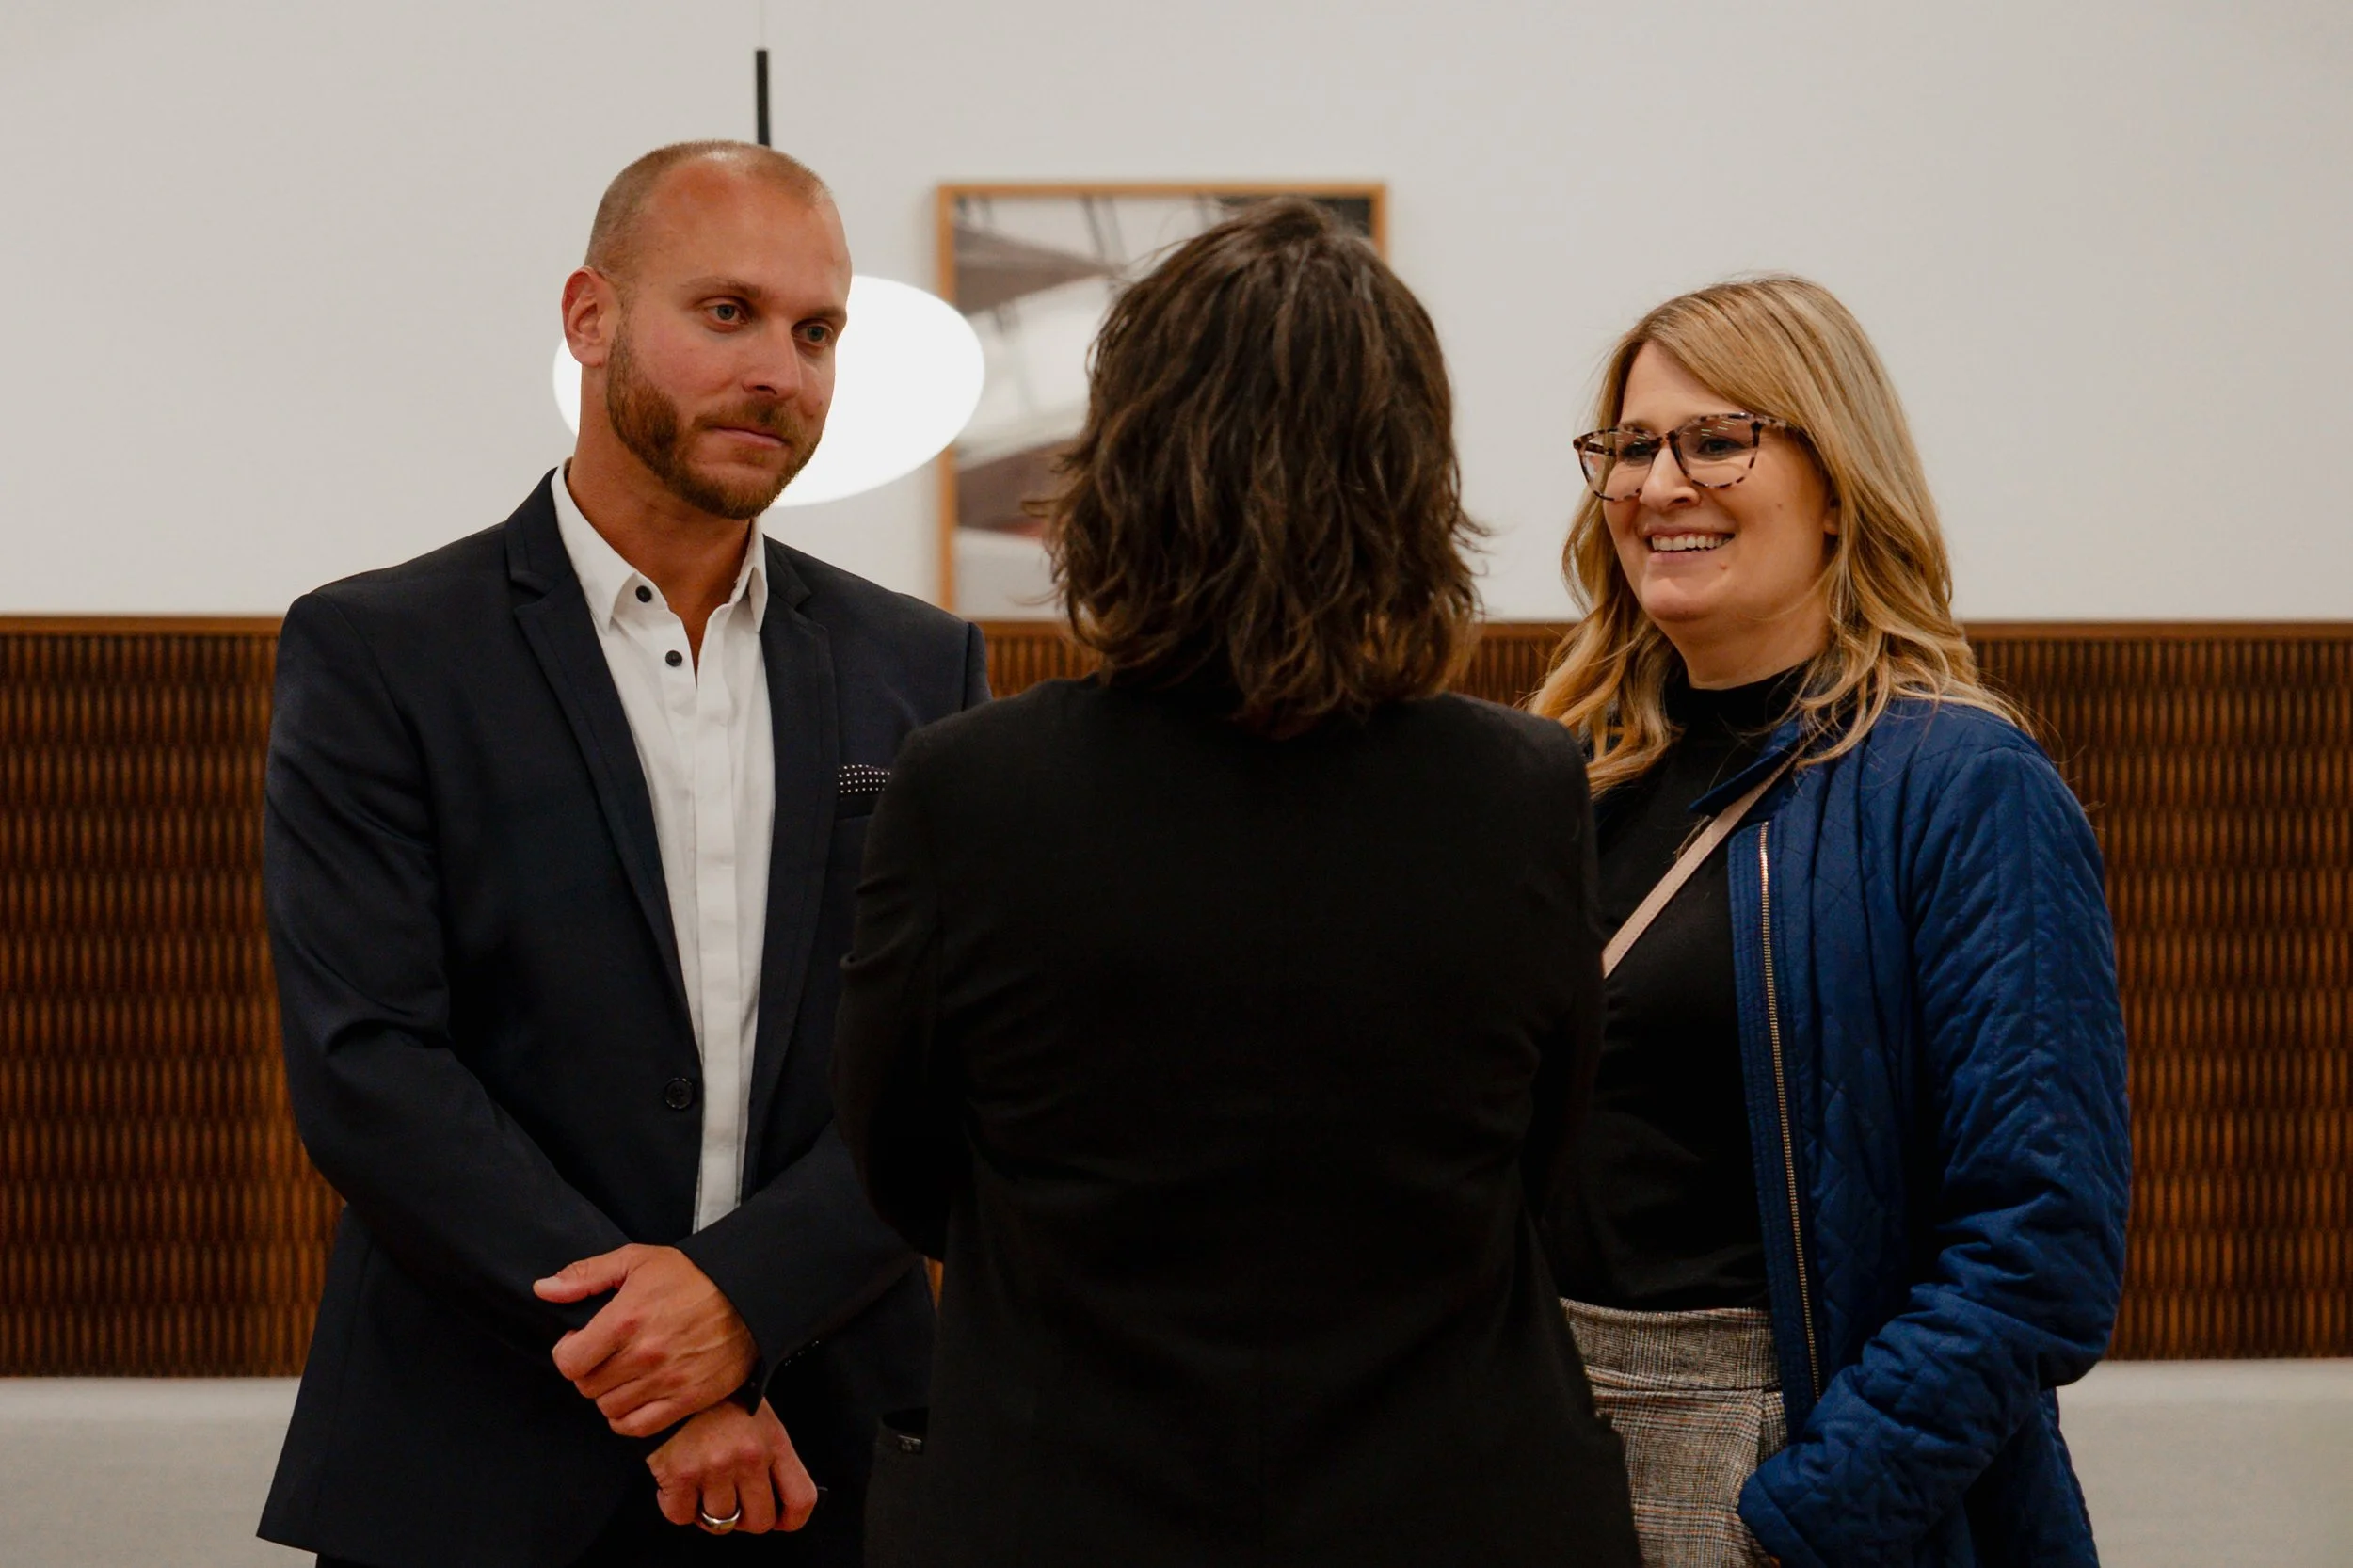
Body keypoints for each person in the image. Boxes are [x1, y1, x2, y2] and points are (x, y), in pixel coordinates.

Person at [828, 199, 1641, 1568]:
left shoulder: (969, 789)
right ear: (1408, 478)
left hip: (1065, 1497)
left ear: (1129, 460)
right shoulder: (1522, 788)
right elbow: (1541, 1158)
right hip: (1453, 1499)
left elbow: (904, 1169)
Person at [259, 141, 988, 1567]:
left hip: (834, 1441)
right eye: (727, 312)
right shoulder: (380, 651)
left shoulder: (921, 665)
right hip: (474, 1450)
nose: (780, 366)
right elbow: (369, 1067)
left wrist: (748, 1306)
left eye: (817, 330)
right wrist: (661, 1367)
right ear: (590, 318)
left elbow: (954, 1064)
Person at [1531, 276, 2130, 1567]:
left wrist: (1803, 1516)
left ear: (1840, 484)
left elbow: (2040, 1245)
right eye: (1631, 446)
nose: (1658, 483)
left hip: (1781, 1463)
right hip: (1546, 1448)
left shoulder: (1962, 784)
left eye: (1716, 438)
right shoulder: (1566, 779)